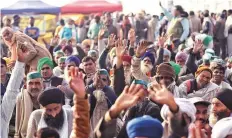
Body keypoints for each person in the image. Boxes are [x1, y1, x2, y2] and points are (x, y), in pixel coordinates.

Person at [1, 47, 27, 138]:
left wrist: (20, 62)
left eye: (1, 66)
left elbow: (12, 91)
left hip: (15, 116)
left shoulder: (2, 115)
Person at [14, 72, 43, 138]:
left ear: (42, 84)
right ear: (26, 85)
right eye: (30, 83)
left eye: (37, 83)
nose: (34, 87)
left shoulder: (49, 98)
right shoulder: (19, 99)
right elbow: (11, 123)